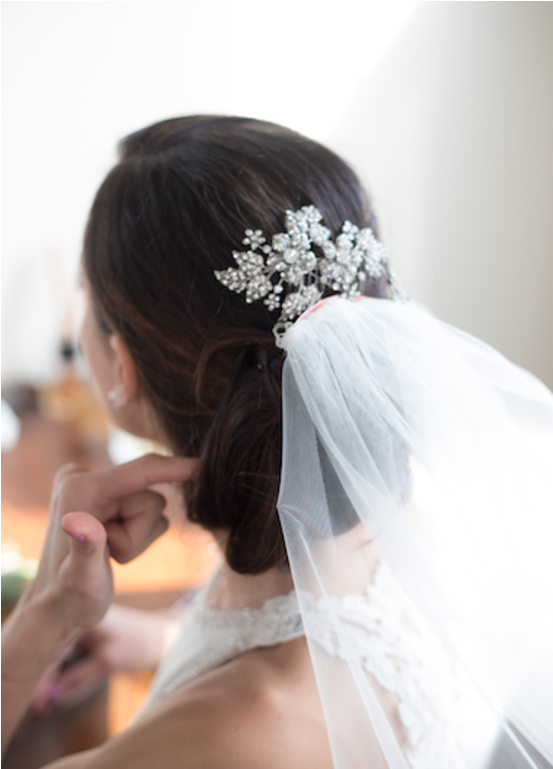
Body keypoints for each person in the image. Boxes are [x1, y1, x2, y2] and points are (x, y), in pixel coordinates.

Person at [1, 116, 552, 769]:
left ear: (121, 367)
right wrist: (170, 638)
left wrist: (43, 615)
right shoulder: (427, 505)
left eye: (86, 302)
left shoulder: (205, 741)